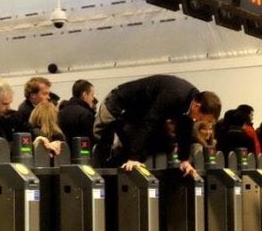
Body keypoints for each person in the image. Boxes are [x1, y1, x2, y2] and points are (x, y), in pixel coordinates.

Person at [93, 74, 221, 174]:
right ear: (197, 107)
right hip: (117, 106)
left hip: (134, 115)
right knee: (110, 150)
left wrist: (184, 160)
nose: (199, 121)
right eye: (203, 118)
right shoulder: (175, 95)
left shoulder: (191, 100)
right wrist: (134, 158)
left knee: (138, 149)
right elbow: (150, 122)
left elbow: (184, 129)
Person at [57, 79, 96, 143]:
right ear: (85, 95)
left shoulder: (61, 113)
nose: (93, 99)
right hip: (83, 151)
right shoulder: (86, 114)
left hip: (65, 151)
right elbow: (90, 140)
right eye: (92, 95)